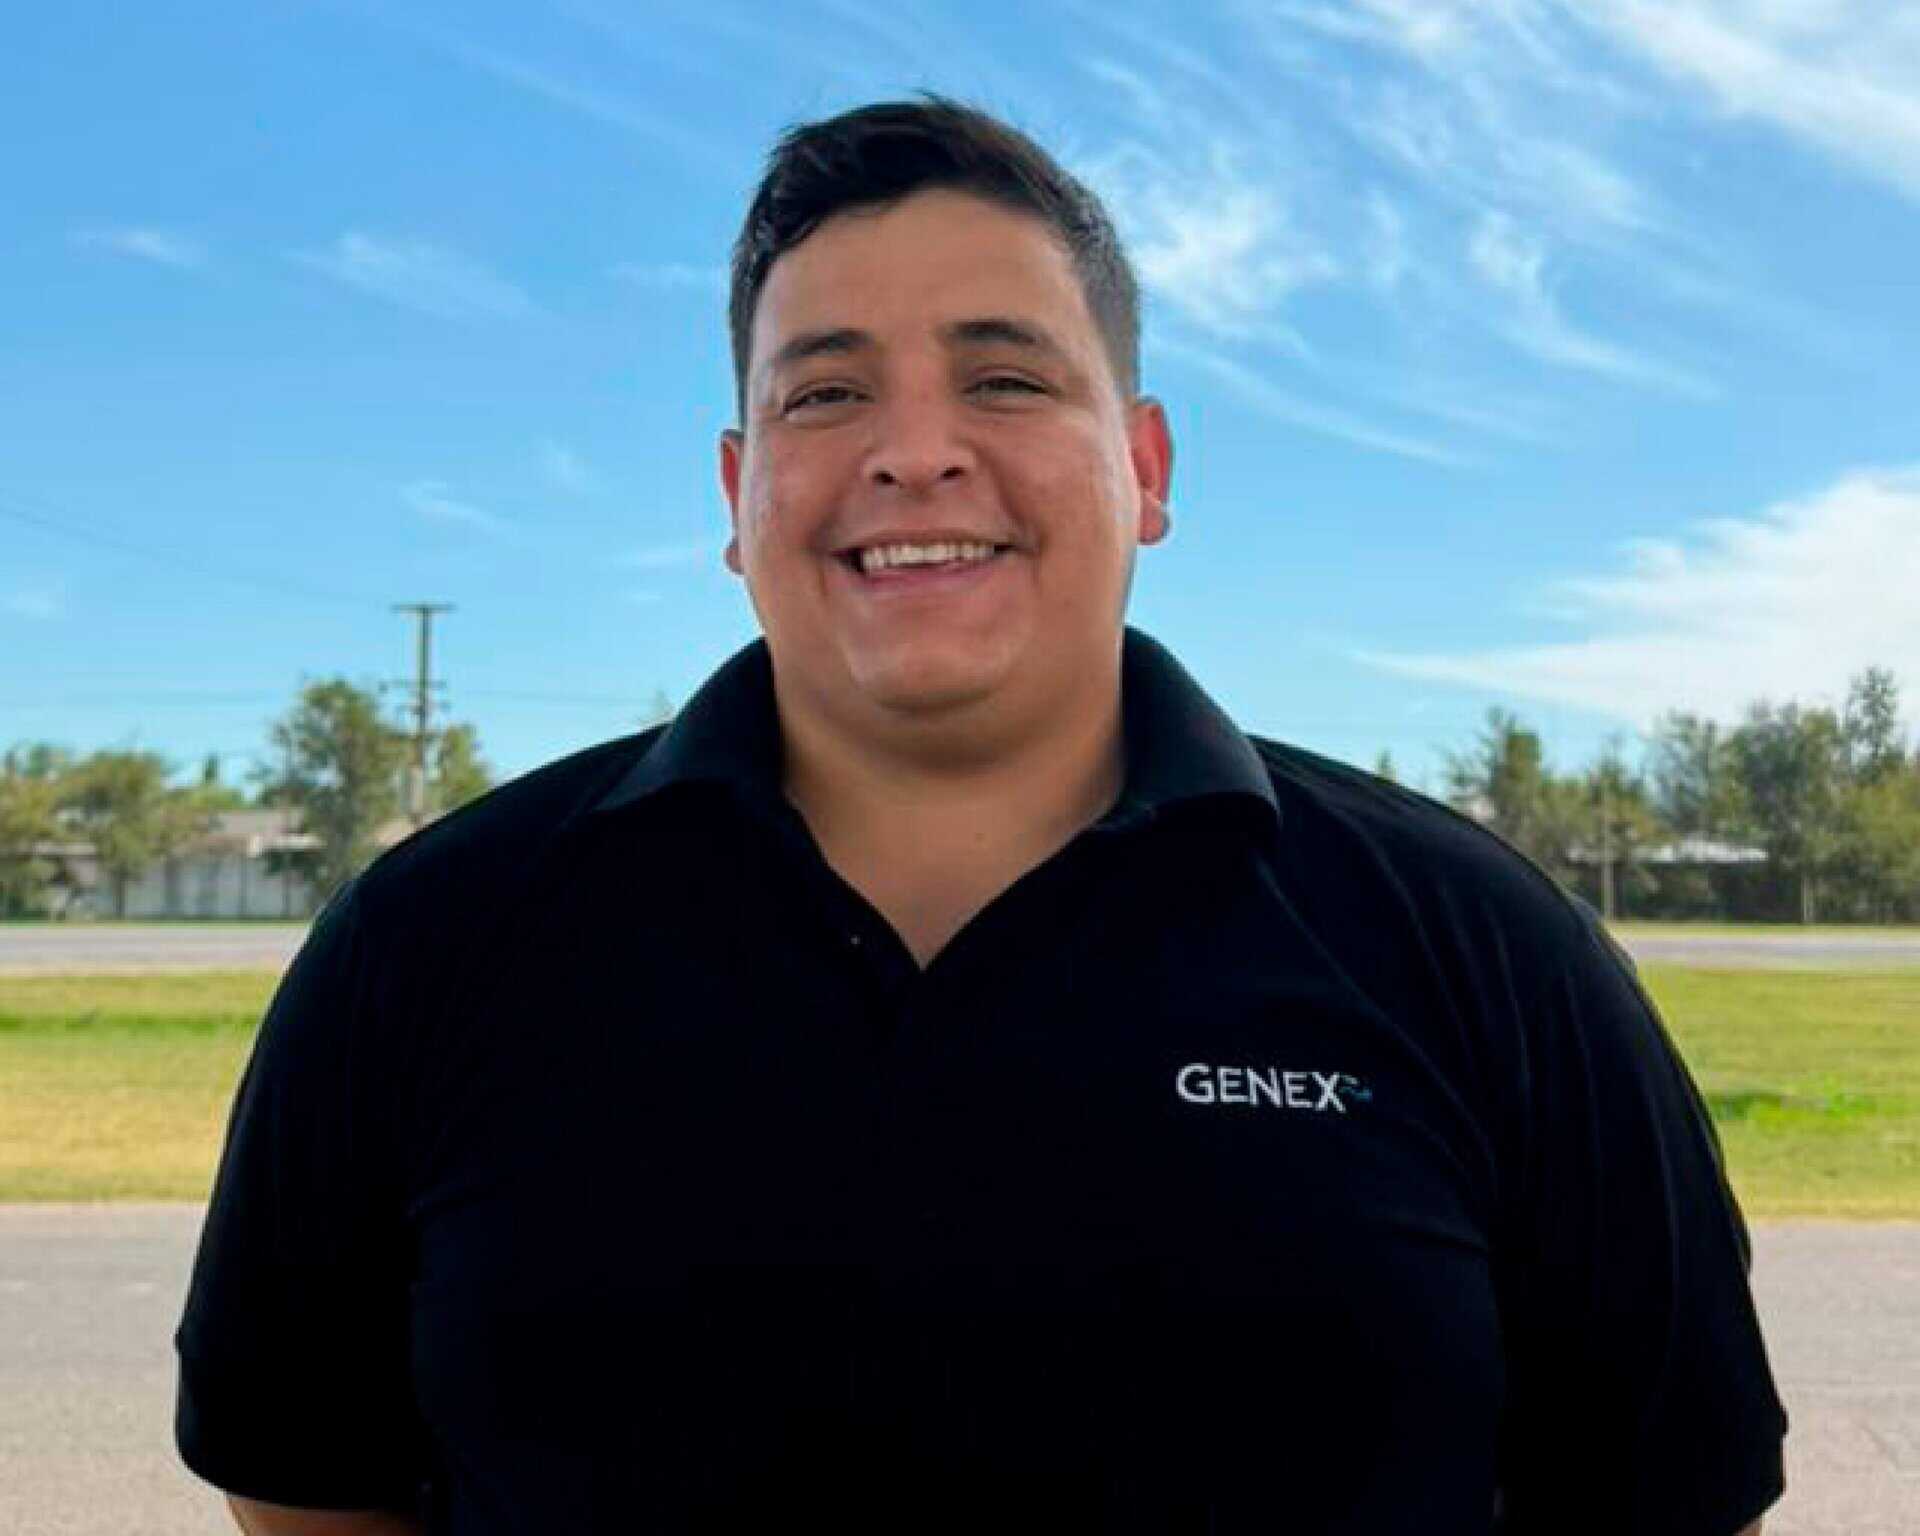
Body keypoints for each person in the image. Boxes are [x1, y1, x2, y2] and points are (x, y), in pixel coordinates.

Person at [174, 96, 1787, 1535]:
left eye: (1005, 378)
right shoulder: (431, 940)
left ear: (1145, 467)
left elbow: (1668, 1495)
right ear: (736, 495)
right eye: (826, 395)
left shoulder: (1481, 947)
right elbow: (303, 1469)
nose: (914, 454)